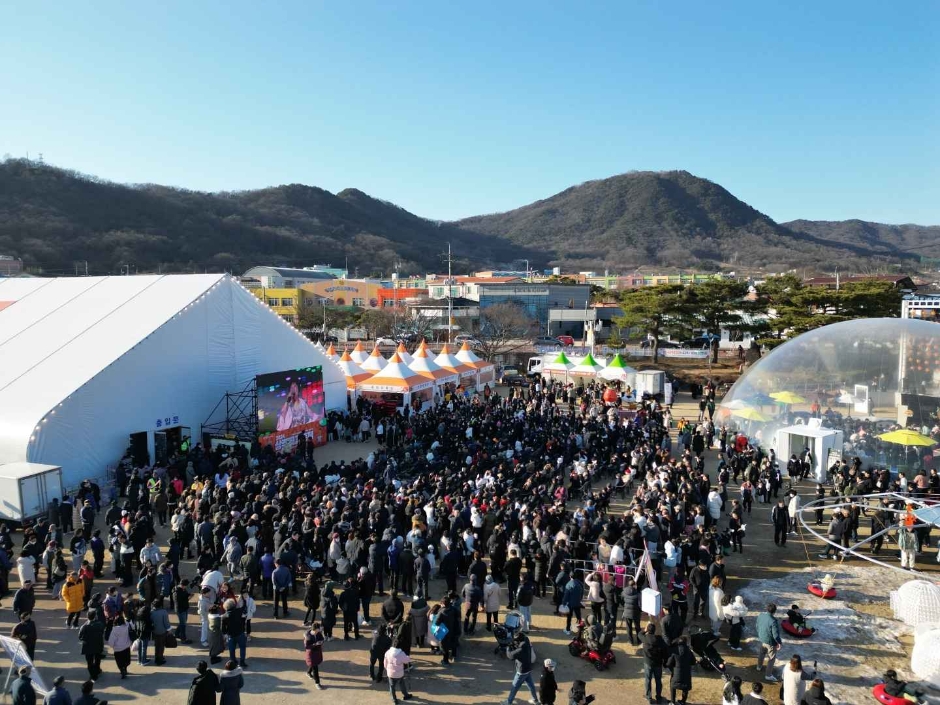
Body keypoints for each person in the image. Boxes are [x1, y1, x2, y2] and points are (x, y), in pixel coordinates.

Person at [501, 631, 538, 705]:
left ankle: (509, 702)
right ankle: (535, 700)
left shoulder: (520, 650)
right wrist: (514, 644)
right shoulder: (526, 640)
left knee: (514, 687)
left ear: (518, 640)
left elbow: (510, 656)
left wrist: (508, 648)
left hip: (521, 672)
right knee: (531, 685)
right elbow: (519, 644)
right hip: (528, 668)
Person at [640, 622, 667, 705]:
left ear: (648, 630)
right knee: (658, 680)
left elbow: (639, 634)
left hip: (648, 663)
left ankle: (649, 697)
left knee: (648, 680)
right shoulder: (660, 639)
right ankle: (658, 697)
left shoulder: (645, 638)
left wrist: (645, 630)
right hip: (658, 663)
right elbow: (665, 651)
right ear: (655, 631)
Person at [665, 634, 694, 705]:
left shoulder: (675, 651)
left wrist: (672, 669)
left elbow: (668, 663)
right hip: (686, 673)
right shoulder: (689, 652)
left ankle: (672, 701)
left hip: (676, 673)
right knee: (685, 687)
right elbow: (693, 662)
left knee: (672, 686)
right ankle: (683, 701)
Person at [756, 604, 782, 682]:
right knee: (771, 658)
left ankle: (759, 667)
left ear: (767, 609)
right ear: (774, 611)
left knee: (762, 653)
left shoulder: (760, 615)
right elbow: (776, 635)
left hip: (762, 639)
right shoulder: (773, 621)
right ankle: (768, 675)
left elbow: (757, 626)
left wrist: (760, 635)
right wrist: (779, 642)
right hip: (770, 642)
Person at [78, 612, 105, 681]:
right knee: (97, 659)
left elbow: (80, 636)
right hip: (98, 645)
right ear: (95, 616)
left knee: (89, 662)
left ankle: (93, 676)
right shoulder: (100, 624)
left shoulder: (85, 626)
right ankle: (97, 670)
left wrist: (84, 640)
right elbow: (102, 632)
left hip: (88, 647)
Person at [221, 598, 248, 669]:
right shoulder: (239, 611)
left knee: (232, 650)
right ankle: (242, 662)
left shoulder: (224, 616)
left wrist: (225, 634)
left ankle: (233, 662)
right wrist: (243, 599)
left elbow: (223, 628)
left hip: (231, 635)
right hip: (240, 633)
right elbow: (244, 607)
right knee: (242, 648)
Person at [105, 615, 132, 679]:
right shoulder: (127, 626)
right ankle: (125, 669)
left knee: (119, 662)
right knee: (126, 660)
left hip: (118, 649)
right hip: (126, 647)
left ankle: (122, 670)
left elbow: (111, 640)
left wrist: (111, 645)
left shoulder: (114, 630)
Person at [303, 623, 325, 689]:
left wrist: (321, 642)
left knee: (313, 665)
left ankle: (308, 672)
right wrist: (315, 644)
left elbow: (322, 639)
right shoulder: (308, 636)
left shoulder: (318, 633)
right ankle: (317, 683)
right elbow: (307, 646)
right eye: (319, 628)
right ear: (316, 629)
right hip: (311, 654)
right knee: (315, 668)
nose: (321, 629)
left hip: (317, 652)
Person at [150, 598, 171, 665]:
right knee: (161, 646)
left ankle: (156, 658)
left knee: (156, 645)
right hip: (162, 632)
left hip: (155, 631)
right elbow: (166, 623)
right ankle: (160, 659)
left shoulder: (151, 612)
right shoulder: (164, 612)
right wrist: (169, 630)